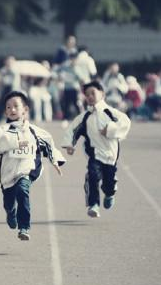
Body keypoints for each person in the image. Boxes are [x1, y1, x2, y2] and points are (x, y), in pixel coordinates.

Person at [0, 91, 65, 241]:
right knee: (9, 202)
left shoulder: (34, 131)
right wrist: (14, 142)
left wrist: (55, 160)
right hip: (7, 173)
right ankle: (11, 213)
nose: (12, 110)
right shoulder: (3, 130)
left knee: (23, 190)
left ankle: (24, 227)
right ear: (5, 111)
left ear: (25, 109)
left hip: (27, 169)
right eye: (8, 107)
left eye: (15, 106)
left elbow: (48, 144)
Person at [61, 81, 131, 218]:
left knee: (108, 183)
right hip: (94, 154)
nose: (90, 96)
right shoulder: (85, 116)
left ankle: (110, 193)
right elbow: (73, 129)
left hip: (110, 154)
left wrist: (110, 130)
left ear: (102, 94)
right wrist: (70, 144)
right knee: (93, 175)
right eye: (87, 95)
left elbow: (126, 123)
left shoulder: (111, 112)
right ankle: (94, 204)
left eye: (93, 93)